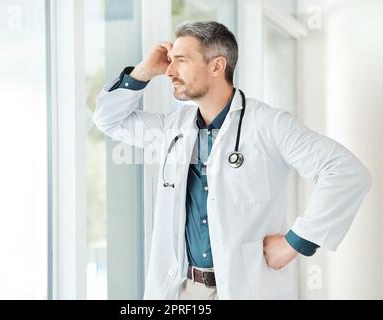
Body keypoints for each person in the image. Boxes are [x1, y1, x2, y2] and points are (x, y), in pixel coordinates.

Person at [93, 21, 372, 299]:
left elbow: (345, 172)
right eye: (170, 61)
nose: (169, 71)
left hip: (246, 287)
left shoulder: (269, 125)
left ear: (216, 66)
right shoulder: (173, 128)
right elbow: (109, 119)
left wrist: (295, 242)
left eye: (181, 61)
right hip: (184, 290)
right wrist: (143, 71)